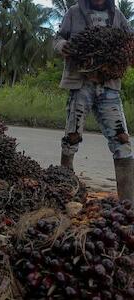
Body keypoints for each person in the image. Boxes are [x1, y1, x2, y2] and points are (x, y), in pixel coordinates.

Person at [54, 0, 134, 201]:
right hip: (81, 84)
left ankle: (128, 204)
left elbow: (130, 41)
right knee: (71, 137)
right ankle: (65, 191)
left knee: (122, 141)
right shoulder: (73, 12)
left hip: (109, 87)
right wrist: (63, 45)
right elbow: (58, 38)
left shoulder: (118, 15)